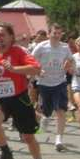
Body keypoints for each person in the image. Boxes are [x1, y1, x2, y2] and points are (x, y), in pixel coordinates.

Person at [0, 22, 46, 159]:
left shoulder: (18, 52)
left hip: (19, 98)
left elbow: (36, 68)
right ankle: (6, 153)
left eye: (2, 35)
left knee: (28, 137)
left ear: (11, 37)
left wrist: (14, 69)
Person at [32, 23, 73, 151]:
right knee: (46, 112)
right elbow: (30, 59)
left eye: (59, 33)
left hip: (60, 82)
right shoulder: (41, 46)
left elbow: (71, 60)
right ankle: (44, 119)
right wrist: (38, 70)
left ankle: (59, 140)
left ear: (61, 35)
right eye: (54, 33)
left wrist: (68, 65)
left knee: (61, 110)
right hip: (44, 83)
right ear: (49, 34)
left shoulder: (65, 48)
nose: (56, 36)